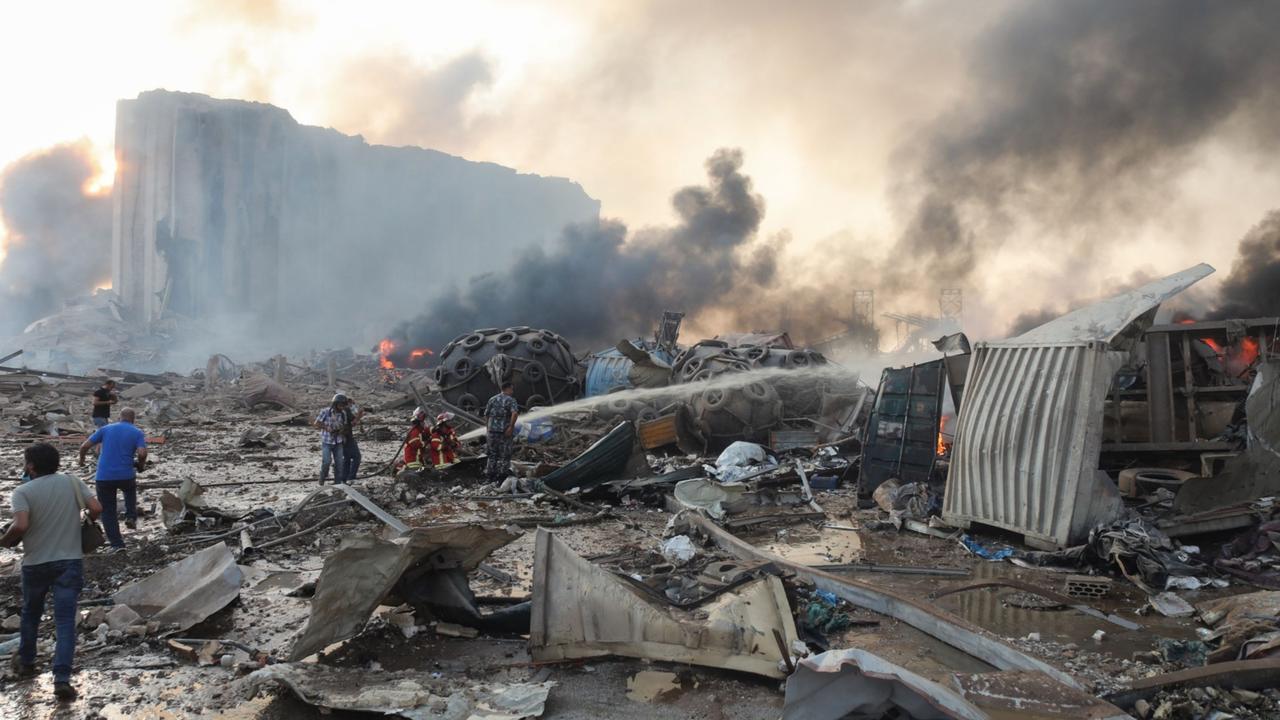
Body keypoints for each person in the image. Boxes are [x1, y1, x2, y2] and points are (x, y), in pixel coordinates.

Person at [1, 442, 102, 701]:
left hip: (35, 563)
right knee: (65, 620)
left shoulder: (23, 491)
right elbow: (97, 508)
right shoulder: (72, 482)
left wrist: (5, 540)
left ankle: (26, 662)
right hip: (69, 561)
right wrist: (84, 521)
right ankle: (62, 679)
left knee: (31, 615)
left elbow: (21, 525)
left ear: (31, 466)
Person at [78, 407, 146, 553]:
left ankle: (117, 544)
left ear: (119, 417)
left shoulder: (105, 429)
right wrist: (141, 465)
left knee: (108, 511)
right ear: (133, 419)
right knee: (129, 490)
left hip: (104, 477)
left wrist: (82, 460)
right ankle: (131, 516)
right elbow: (142, 453)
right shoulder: (137, 432)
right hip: (126, 475)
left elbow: (84, 446)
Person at [483, 382, 519, 484]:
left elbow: (486, 415)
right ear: (507, 389)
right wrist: (511, 427)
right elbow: (515, 413)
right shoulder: (511, 400)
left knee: (492, 455)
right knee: (505, 456)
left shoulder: (492, 399)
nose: (512, 391)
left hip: (492, 432)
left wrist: (488, 428)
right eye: (511, 389)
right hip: (504, 432)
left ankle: (489, 477)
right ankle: (501, 479)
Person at [314, 394, 350, 484]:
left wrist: (341, 431)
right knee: (326, 461)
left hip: (338, 441)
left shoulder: (343, 414)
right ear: (335, 404)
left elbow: (345, 426)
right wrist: (327, 428)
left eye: (343, 406)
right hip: (327, 441)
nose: (342, 407)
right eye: (340, 405)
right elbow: (317, 423)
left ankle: (337, 483)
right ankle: (322, 477)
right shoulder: (325, 412)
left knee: (339, 464)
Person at [342, 396, 365, 480]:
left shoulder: (340, 411)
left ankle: (344, 478)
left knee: (347, 458)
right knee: (357, 457)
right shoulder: (346, 410)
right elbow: (353, 423)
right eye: (351, 403)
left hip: (341, 438)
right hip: (347, 437)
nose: (351, 405)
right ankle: (351, 477)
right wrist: (359, 414)